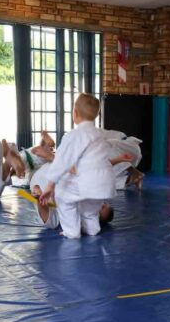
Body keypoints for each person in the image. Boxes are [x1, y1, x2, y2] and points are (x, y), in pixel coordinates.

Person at [37, 93, 116, 239]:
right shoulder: (100, 134)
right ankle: (92, 228)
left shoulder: (74, 135)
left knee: (62, 194)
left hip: (89, 181)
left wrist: (50, 185)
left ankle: (71, 231)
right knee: (90, 207)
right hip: (106, 183)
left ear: (75, 112)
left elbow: (61, 162)